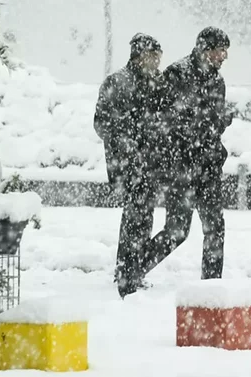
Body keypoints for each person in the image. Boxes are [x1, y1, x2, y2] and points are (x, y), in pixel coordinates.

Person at [141, 27, 234, 280]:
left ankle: (211, 287)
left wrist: (220, 120)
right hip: (180, 167)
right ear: (205, 49)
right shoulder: (177, 74)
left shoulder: (217, 81)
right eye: (220, 50)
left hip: (209, 166)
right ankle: (132, 271)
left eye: (226, 51)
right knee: (177, 231)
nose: (224, 56)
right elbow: (163, 121)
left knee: (215, 228)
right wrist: (203, 123)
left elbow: (211, 124)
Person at [93, 33, 165, 298]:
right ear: (140, 56)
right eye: (154, 56)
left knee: (141, 217)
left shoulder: (156, 82)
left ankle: (130, 269)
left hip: (146, 162)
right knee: (135, 217)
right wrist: (129, 138)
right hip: (129, 164)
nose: (158, 62)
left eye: (159, 57)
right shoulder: (117, 83)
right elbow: (101, 123)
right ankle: (127, 272)